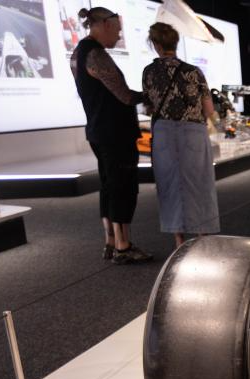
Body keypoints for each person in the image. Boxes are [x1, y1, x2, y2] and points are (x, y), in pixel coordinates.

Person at [70, 6, 151, 264]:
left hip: (99, 130)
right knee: (122, 187)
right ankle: (123, 246)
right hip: (114, 132)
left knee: (108, 185)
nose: (118, 35)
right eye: (117, 30)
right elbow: (124, 95)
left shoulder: (80, 52)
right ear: (104, 24)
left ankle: (111, 241)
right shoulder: (95, 54)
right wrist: (153, 94)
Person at [142, 22, 219, 249]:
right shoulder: (193, 71)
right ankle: (202, 238)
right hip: (193, 131)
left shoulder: (149, 72)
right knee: (199, 184)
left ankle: (179, 242)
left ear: (156, 45)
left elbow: (148, 106)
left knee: (170, 186)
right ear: (175, 43)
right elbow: (208, 109)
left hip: (164, 133)